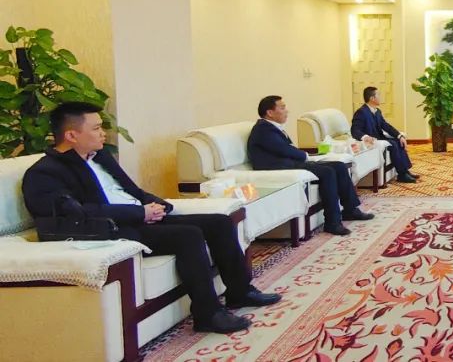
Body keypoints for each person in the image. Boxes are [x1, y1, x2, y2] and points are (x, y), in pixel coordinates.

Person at [21, 102, 281, 334]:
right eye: (97, 128)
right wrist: (139, 213)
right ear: (71, 135)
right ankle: (208, 314)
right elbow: (80, 212)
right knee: (188, 235)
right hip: (113, 228)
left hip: (141, 216)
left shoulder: (101, 157)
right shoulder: (45, 173)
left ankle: (240, 292)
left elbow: (131, 190)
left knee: (218, 222)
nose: (103, 133)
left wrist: (157, 205)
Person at [248, 95, 372, 236]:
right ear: (270, 112)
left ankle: (350, 210)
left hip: (290, 163)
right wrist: (305, 156)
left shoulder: (272, 127)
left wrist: (306, 156)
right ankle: (332, 222)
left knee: (339, 166)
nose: (286, 111)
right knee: (327, 172)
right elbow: (283, 149)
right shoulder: (263, 129)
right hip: (279, 168)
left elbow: (286, 149)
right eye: (282, 108)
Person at [351, 87, 419, 183]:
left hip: (381, 138)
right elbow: (354, 130)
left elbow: (386, 126)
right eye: (378, 95)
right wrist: (365, 137)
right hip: (373, 141)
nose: (380, 97)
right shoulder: (361, 112)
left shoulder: (377, 111)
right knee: (393, 144)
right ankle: (401, 175)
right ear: (372, 98)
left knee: (398, 141)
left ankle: (405, 171)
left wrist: (399, 135)